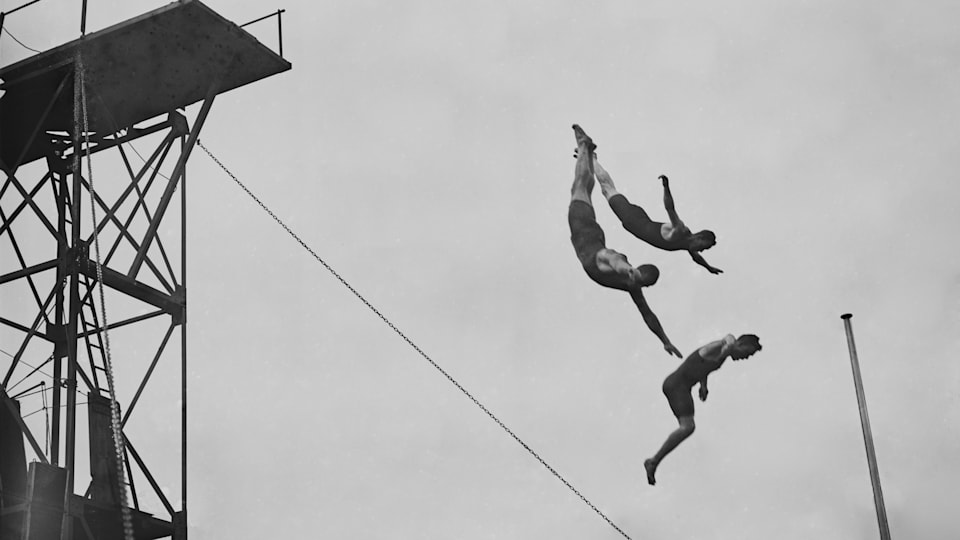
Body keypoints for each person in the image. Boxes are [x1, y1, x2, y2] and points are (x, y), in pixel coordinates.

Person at [568, 124, 681, 358]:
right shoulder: (623, 268)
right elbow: (613, 260)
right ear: (636, 269)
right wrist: (626, 270)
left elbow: (648, 314)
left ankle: (588, 154)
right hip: (584, 231)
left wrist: (665, 340)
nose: (634, 280)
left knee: (586, 186)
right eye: (635, 275)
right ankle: (584, 147)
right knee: (581, 185)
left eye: (638, 282)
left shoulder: (633, 285)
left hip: (592, 236)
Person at [643, 333, 762, 485]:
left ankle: (654, 461)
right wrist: (730, 345)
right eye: (748, 352)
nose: (746, 357)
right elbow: (728, 339)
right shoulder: (720, 346)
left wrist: (703, 385)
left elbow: (702, 365)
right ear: (741, 344)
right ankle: (653, 461)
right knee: (688, 427)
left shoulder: (721, 356)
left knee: (688, 427)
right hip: (676, 386)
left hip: (682, 388)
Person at [587, 155, 722, 274]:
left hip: (637, 220)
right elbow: (670, 208)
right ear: (699, 238)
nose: (701, 251)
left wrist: (709, 268)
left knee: (608, 190)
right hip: (632, 219)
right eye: (703, 247)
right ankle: (592, 158)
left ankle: (593, 160)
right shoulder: (680, 230)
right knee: (607, 189)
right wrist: (666, 187)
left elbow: (697, 258)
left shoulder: (687, 244)